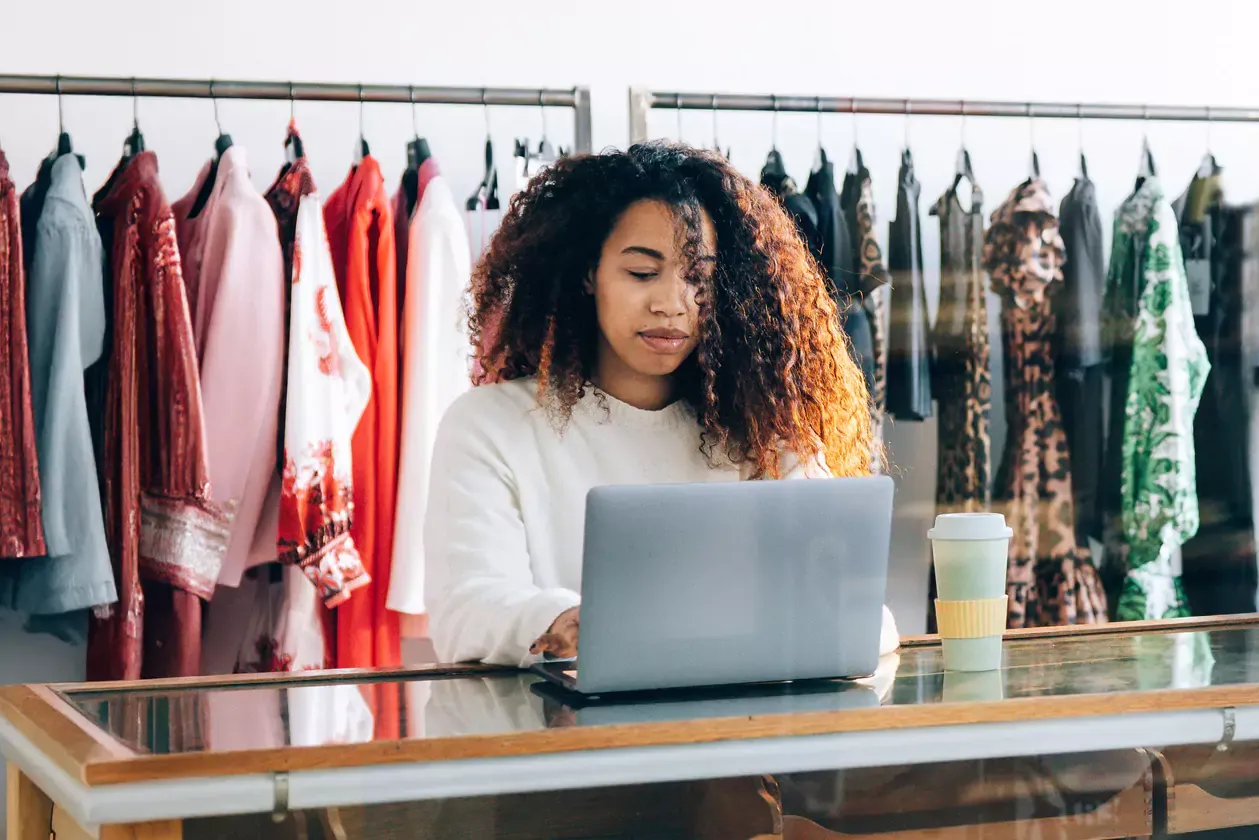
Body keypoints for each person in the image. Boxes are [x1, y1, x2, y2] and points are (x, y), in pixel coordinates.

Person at [425, 141, 899, 666]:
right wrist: (564, 622)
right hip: (552, 717)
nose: (672, 304)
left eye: (698, 278)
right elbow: (466, 609)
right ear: (588, 274)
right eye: (642, 273)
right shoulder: (490, 427)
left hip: (733, 714)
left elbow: (866, 618)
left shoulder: (762, 431)